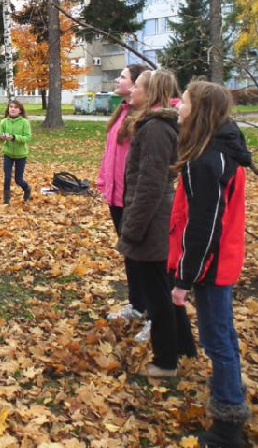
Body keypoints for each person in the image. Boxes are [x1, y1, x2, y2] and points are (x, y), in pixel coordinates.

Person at [168, 82, 252, 447]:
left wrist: (184, 279)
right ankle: (230, 391)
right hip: (220, 261)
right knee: (224, 336)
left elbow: (203, 226)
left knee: (217, 340)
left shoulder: (206, 162)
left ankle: (228, 424)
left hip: (211, 266)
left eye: (183, 101)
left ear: (198, 110)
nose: (178, 105)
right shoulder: (214, 152)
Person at [118, 69, 196, 378]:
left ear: (149, 93)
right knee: (163, 287)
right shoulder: (155, 125)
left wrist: (132, 228)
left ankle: (165, 361)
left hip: (152, 220)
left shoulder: (154, 129)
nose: (132, 90)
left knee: (157, 294)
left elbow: (150, 184)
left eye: (137, 86)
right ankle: (184, 348)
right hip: (154, 216)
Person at [97, 64, 151, 340]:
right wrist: (103, 182)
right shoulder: (123, 110)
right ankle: (138, 304)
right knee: (129, 252)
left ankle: (155, 314)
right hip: (116, 195)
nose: (117, 79)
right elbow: (111, 152)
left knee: (145, 256)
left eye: (123, 77)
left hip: (134, 196)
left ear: (138, 84)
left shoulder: (147, 118)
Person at [0, 100, 32, 204]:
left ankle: (27, 188)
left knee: (18, 180)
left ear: (20, 110)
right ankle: (6, 201)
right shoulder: (3, 122)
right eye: (11, 106)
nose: (12, 109)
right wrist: (0, 137)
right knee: (7, 178)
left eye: (15, 107)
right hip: (7, 154)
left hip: (21, 155)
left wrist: (14, 137)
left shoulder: (25, 122)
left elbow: (27, 138)